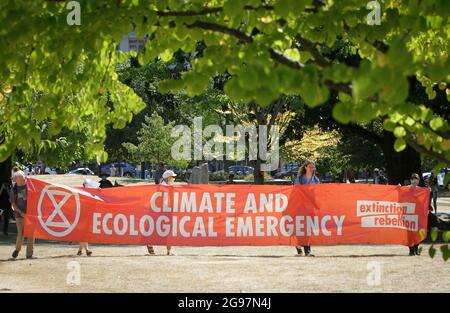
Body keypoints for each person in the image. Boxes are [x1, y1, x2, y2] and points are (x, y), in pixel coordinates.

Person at [294, 160, 320, 257]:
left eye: (313, 167)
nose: (312, 169)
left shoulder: (316, 180)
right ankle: (299, 246)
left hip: (310, 207)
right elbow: (296, 191)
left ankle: (307, 250)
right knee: (301, 228)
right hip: (300, 207)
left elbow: (318, 192)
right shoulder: (299, 179)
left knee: (308, 229)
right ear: (305, 167)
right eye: (310, 167)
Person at [147, 170, 176, 256]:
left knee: (166, 230)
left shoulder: (167, 186)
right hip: (161, 211)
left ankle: (168, 251)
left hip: (165, 210)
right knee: (162, 229)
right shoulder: (163, 187)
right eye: (173, 177)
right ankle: (150, 243)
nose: (174, 179)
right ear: (168, 178)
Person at [10, 170, 35, 259]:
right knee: (21, 233)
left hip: (31, 214)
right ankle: (17, 249)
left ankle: (29, 254)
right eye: (21, 178)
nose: (23, 179)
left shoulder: (30, 186)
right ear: (17, 179)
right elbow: (13, 204)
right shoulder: (14, 189)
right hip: (19, 214)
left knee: (31, 234)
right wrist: (21, 212)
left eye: (23, 177)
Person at [78, 179, 100, 256]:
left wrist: (98, 191)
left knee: (84, 234)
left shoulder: (89, 193)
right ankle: (87, 250)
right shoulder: (83, 193)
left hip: (88, 215)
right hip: (83, 215)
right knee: (84, 233)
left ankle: (80, 250)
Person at [408, 173, 422, 256]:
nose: (414, 180)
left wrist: (428, 191)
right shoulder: (406, 188)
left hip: (418, 215)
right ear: (411, 180)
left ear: (418, 180)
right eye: (413, 179)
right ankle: (411, 250)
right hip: (409, 214)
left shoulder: (421, 190)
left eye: (416, 179)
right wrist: (398, 188)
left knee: (417, 233)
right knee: (410, 233)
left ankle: (416, 249)